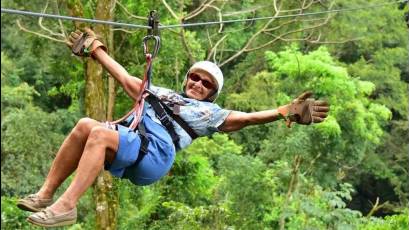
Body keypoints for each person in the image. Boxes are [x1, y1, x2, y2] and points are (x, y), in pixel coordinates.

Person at [17, 28, 329, 227]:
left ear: (211, 93)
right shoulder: (163, 93)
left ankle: (66, 207)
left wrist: (282, 112)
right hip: (134, 140)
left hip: (156, 155)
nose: (198, 84)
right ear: (187, 79)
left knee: (99, 132)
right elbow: (126, 79)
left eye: (206, 84)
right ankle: (46, 194)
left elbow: (244, 119)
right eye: (195, 77)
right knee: (87, 124)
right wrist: (95, 50)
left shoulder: (209, 113)